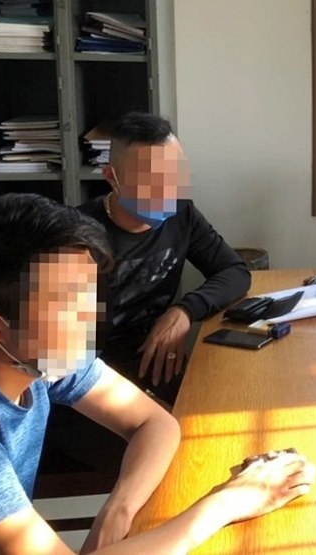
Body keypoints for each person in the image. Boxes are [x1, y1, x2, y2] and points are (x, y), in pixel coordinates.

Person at [0, 194, 316, 553]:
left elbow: (155, 423)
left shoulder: (35, 351)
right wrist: (230, 501)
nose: (89, 317)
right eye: (66, 303)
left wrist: (115, 513)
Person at [80, 112, 250, 403]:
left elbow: (235, 271)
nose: (167, 190)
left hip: (158, 358)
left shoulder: (181, 214)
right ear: (112, 177)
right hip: (93, 375)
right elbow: (58, 352)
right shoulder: (77, 237)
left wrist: (184, 311)